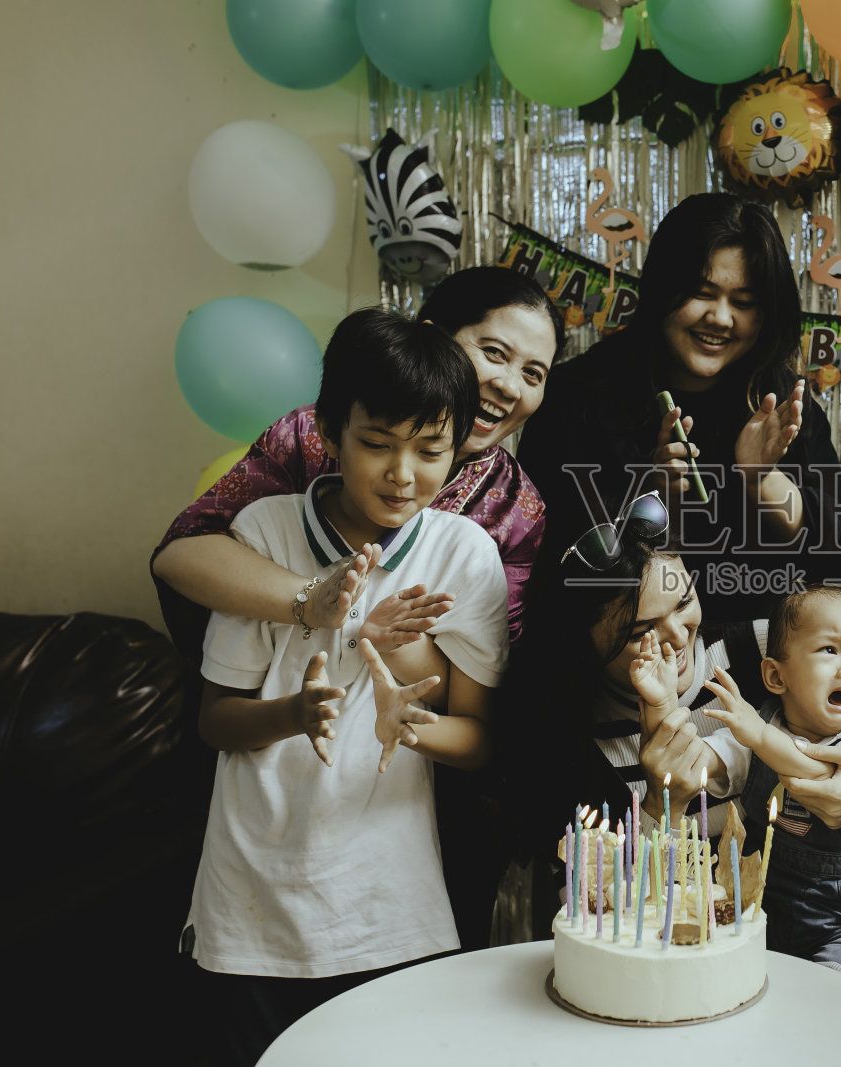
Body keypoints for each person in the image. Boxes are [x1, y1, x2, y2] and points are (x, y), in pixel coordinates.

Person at [152, 266, 561, 950]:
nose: (509, 384)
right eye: (494, 353)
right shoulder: (306, 446)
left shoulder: (515, 507)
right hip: (277, 764)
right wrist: (316, 605)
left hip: (414, 791)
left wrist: (387, 644)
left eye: (535, 372)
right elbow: (186, 552)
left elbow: (478, 695)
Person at [183, 308, 510, 1066]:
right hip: (251, 901)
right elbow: (216, 721)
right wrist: (297, 712)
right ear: (327, 433)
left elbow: (478, 736)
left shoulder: (465, 555)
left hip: (387, 904)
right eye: (376, 444)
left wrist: (410, 724)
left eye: (431, 450)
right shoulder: (264, 533)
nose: (404, 474)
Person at [509, 494, 841, 890]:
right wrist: (659, 806)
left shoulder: (767, 651)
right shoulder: (570, 744)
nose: (677, 637)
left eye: (684, 601)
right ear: (584, 644)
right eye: (639, 633)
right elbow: (594, 908)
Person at [515, 193, 841, 622]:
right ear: (663, 289)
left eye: (744, 303)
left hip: (756, 667)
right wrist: (652, 504)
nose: (720, 318)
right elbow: (547, 565)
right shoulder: (576, 395)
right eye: (702, 293)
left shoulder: (779, 401)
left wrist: (764, 480)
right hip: (615, 666)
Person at [630, 587, 841, 993]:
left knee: (840, 989)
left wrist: (757, 735)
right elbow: (688, 763)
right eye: (830, 650)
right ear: (776, 676)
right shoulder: (760, 731)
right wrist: (661, 702)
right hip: (761, 914)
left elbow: (824, 776)